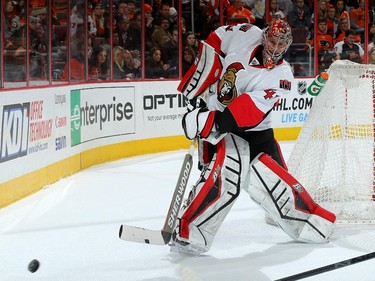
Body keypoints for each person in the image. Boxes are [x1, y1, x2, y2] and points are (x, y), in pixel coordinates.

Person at [170, 19, 336, 255]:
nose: (275, 47)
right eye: (272, 40)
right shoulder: (246, 33)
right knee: (225, 174)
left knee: (277, 183)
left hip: (253, 132)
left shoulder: (282, 76)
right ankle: (191, 231)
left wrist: (207, 122)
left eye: (281, 44)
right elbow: (215, 41)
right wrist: (197, 89)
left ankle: (313, 224)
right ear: (265, 35)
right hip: (222, 126)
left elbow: (247, 112)